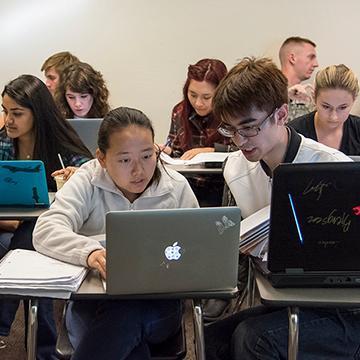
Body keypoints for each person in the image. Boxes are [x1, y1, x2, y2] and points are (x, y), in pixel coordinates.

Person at [204, 57, 360, 360]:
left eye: (249, 128)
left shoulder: (332, 168)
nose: (240, 141)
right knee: (213, 341)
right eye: (230, 130)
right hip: (283, 297)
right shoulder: (236, 169)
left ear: (281, 114)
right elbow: (230, 245)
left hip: (345, 309)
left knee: (255, 340)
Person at [33, 107, 199, 359]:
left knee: (126, 314)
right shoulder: (87, 180)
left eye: (147, 156)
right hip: (93, 302)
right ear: (101, 158)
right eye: (124, 160)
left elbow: (199, 244)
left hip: (158, 305)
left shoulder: (175, 186)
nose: (139, 170)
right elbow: (46, 228)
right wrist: (90, 253)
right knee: (132, 350)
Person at [0, 74, 92, 359]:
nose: (9, 120)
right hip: (8, 221)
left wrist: (79, 175)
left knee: (27, 244)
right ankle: (42, 349)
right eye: (5, 111)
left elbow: (92, 172)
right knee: (22, 243)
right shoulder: (3, 144)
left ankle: (5, 330)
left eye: (17, 113)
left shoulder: (60, 144)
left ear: (36, 113)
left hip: (46, 226)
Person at [162, 58, 232, 206]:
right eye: (193, 95)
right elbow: (176, 153)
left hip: (223, 188)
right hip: (187, 186)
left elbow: (244, 152)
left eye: (207, 97)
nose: (198, 103)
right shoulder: (180, 111)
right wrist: (164, 151)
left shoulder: (232, 113)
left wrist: (211, 150)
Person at [290, 64, 360, 155]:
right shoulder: (294, 134)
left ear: (354, 100)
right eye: (326, 107)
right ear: (314, 97)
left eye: (342, 108)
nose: (333, 117)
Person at [279, 36, 319, 121]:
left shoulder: (308, 97)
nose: (316, 64)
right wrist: (286, 97)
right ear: (292, 58)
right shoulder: (266, 92)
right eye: (311, 57)